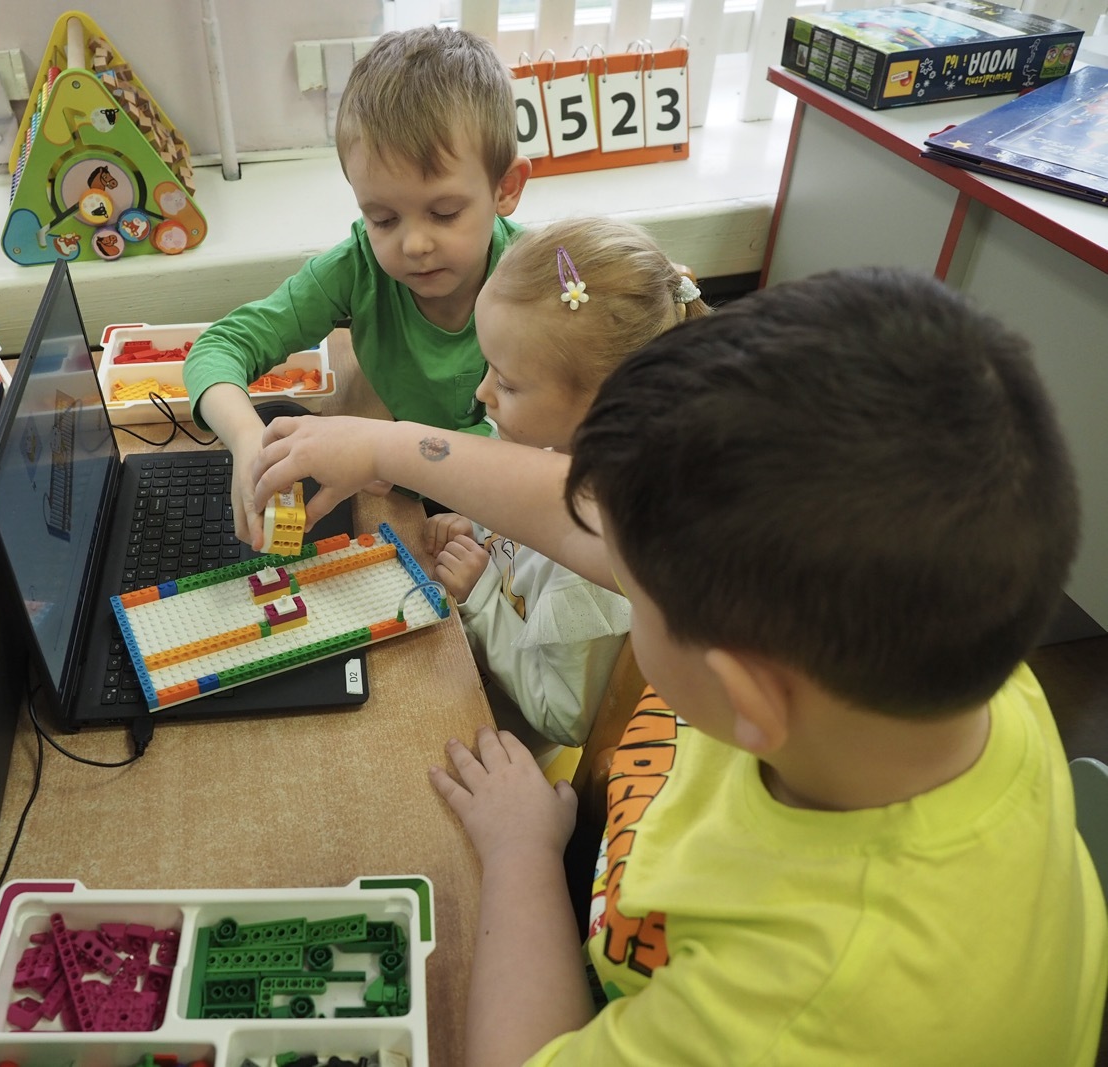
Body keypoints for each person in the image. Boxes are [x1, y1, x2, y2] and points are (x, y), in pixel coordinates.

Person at [250, 268, 1107, 1064]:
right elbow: (590, 519)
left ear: (741, 695)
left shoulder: (792, 1009)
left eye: (627, 580)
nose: (594, 554)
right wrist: (385, 447)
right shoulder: (935, 638)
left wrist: (519, 855)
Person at [181, 25, 530, 546]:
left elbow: (546, 444)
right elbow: (218, 348)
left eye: (444, 212)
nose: (414, 244)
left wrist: (388, 450)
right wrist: (247, 440)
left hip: (509, 504)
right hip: (400, 490)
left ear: (505, 188)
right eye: (383, 219)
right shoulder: (357, 267)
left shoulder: (537, 281)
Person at [426, 217, 708, 756]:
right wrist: (473, 530)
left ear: (602, 404)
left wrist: (480, 594)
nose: (483, 393)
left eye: (507, 383)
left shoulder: (593, 566)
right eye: (489, 367)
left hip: (500, 738)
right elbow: (511, 541)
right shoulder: (541, 440)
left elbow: (562, 717)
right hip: (460, 663)